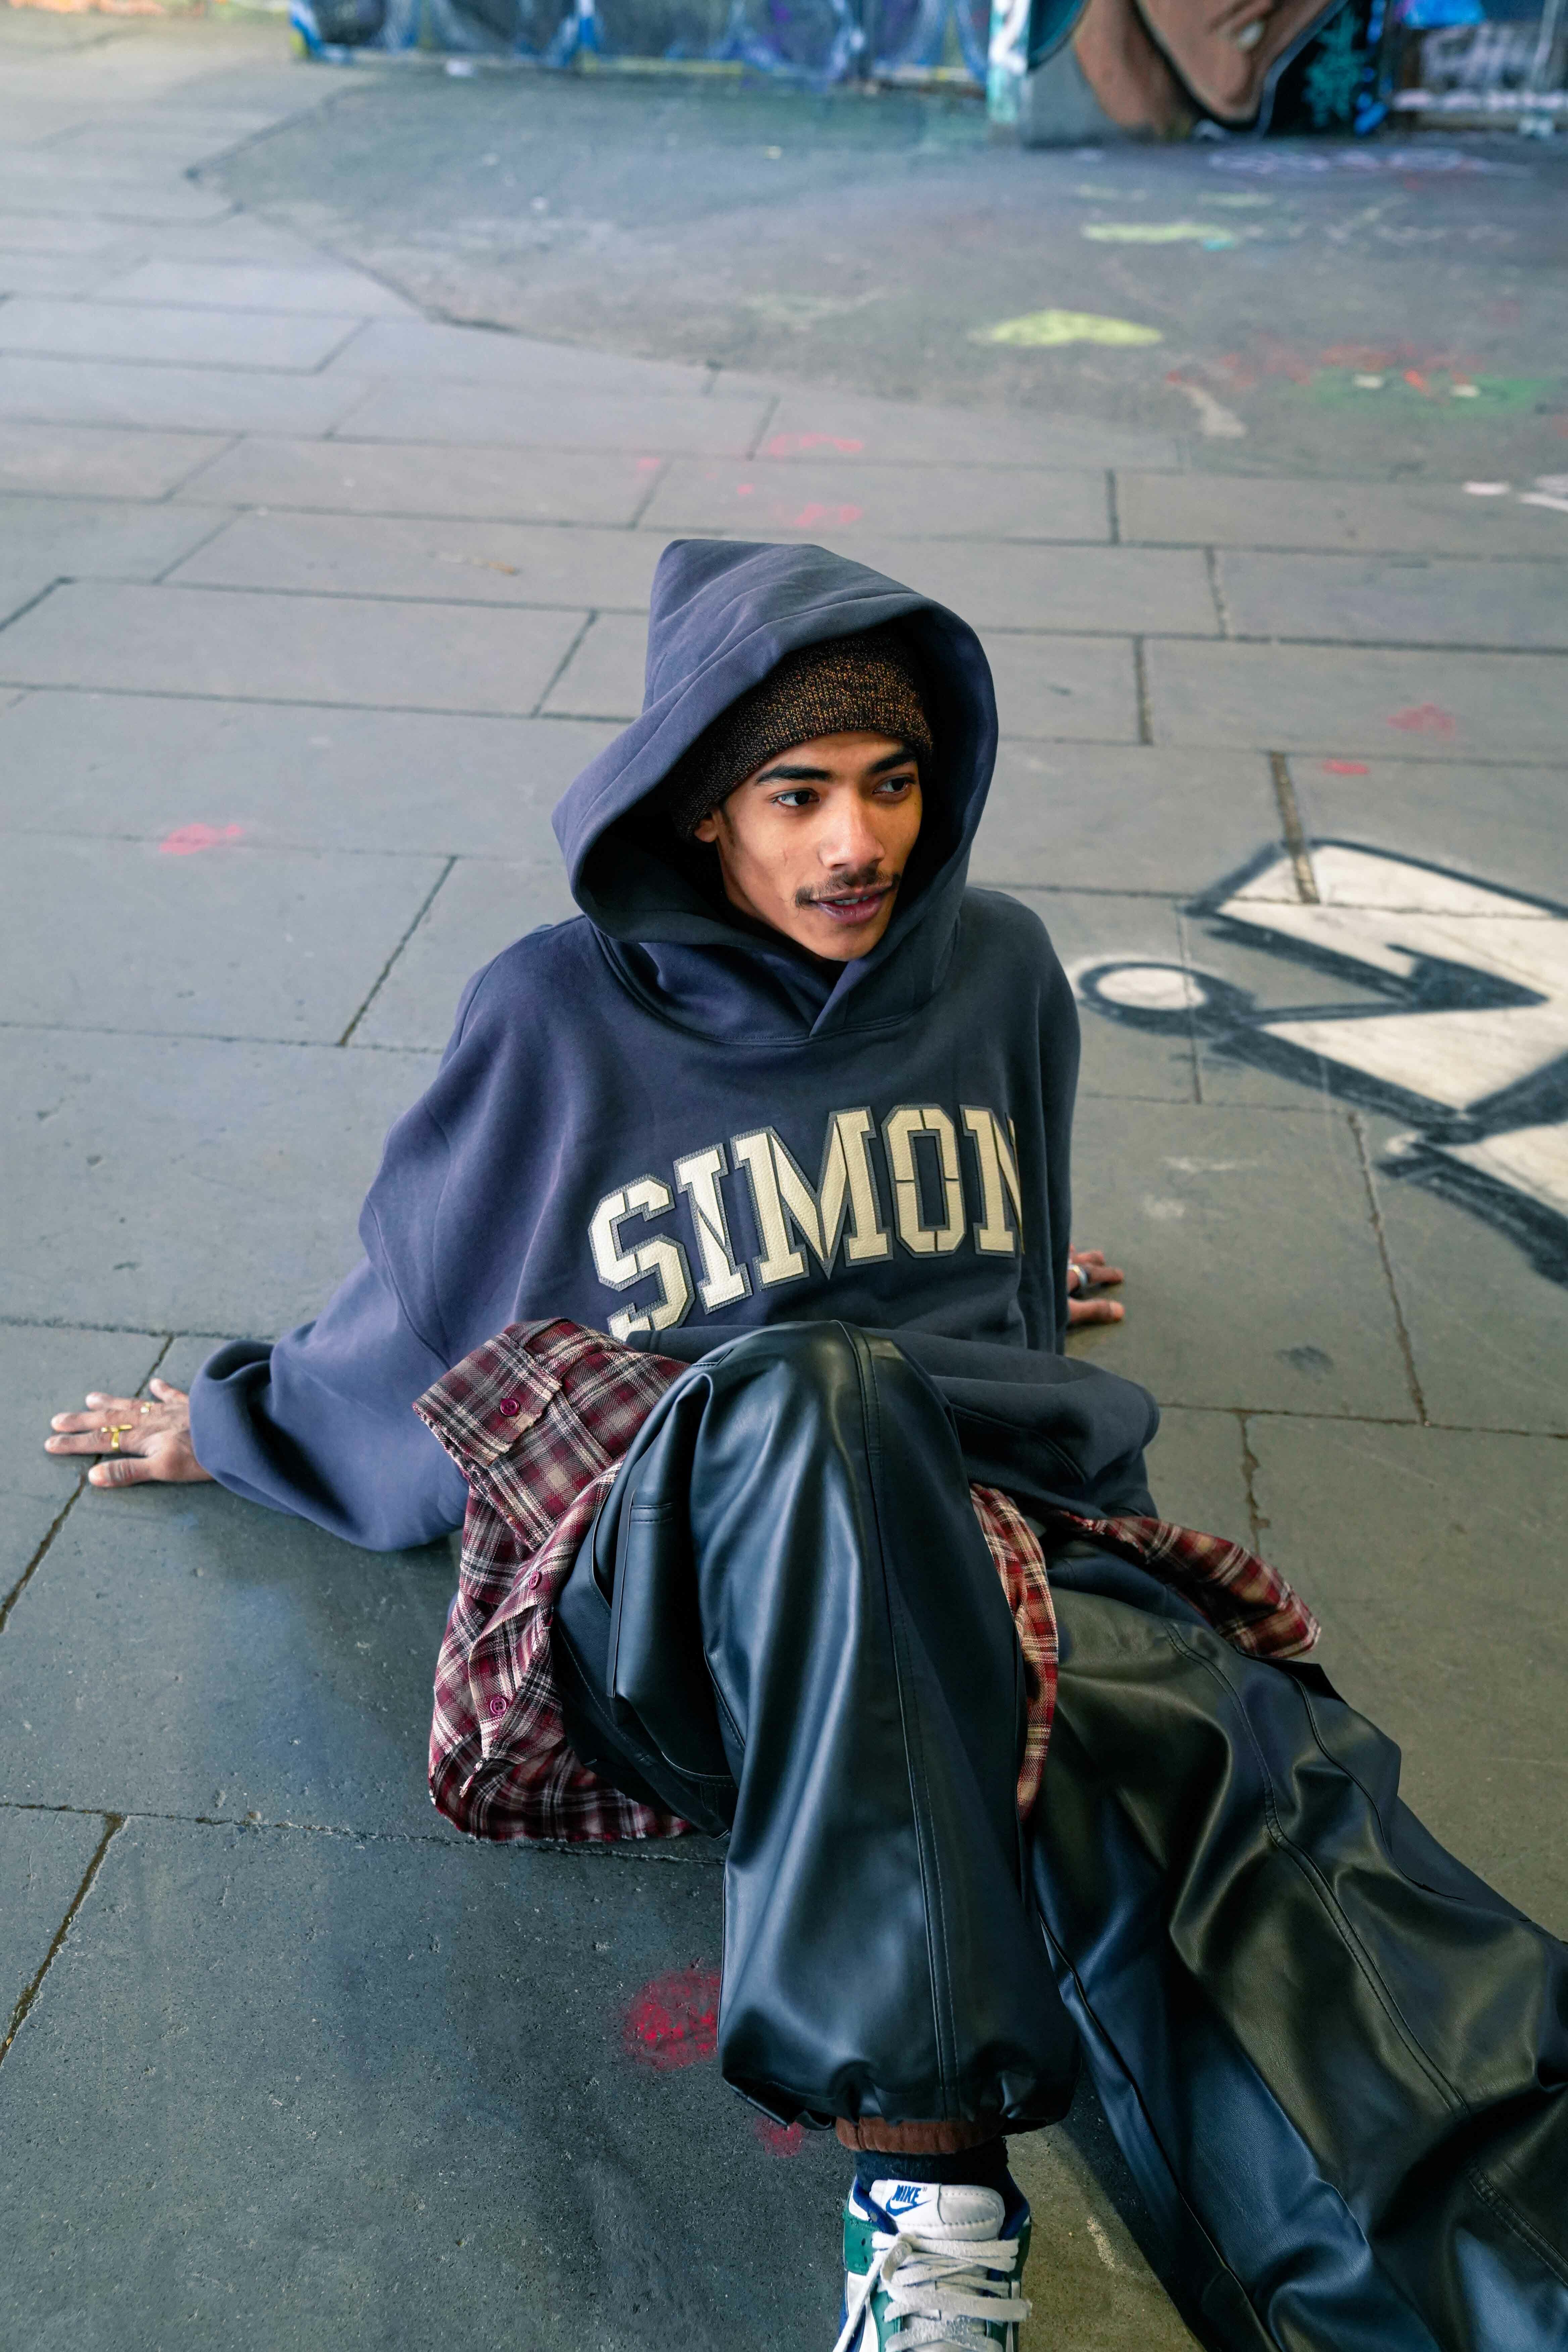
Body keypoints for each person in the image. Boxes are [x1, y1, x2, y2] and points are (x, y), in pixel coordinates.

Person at [45, 542, 1568, 2351]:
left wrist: (979, 1298)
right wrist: (244, 1423)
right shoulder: (557, 1013)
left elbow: (989, 1238)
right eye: (799, 794)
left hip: (962, 1542)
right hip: (676, 1598)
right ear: (705, 811)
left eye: (893, 783)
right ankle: (928, 2190)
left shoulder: (1000, 975)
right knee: (811, 1390)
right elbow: (427, 1302)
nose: (859, 842)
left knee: (1258, 1818)